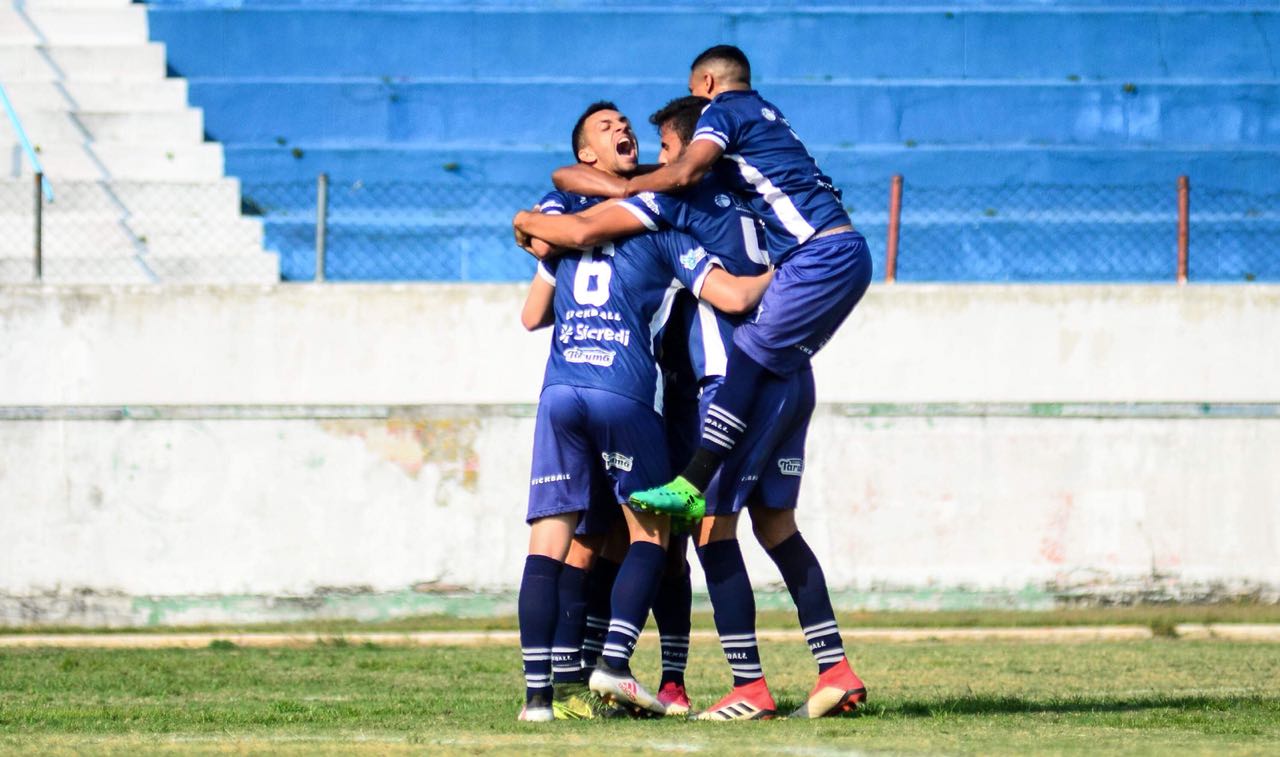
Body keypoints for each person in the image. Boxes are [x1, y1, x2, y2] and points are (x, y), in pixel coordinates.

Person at [523, 94, 867, 719]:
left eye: (662, 150)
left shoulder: (673, 202)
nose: (655, 159)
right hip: (791, 374)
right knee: (776, 526)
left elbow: (572, 218)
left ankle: (746, 686)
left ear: (686, 153)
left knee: (707, 527)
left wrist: (526, 222)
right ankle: (834, 667)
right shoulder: (755, 206)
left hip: (732, 384)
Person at [514, 208, 773, 721]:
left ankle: (547, 695)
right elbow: (736, 296)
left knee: (568, 544)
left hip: (560, 395)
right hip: (628, 394)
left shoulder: (560, 226)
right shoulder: (664, 238)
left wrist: (531, 228)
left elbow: (530, 315)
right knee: (656, 536)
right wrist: (790, 270)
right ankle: (615, 665)